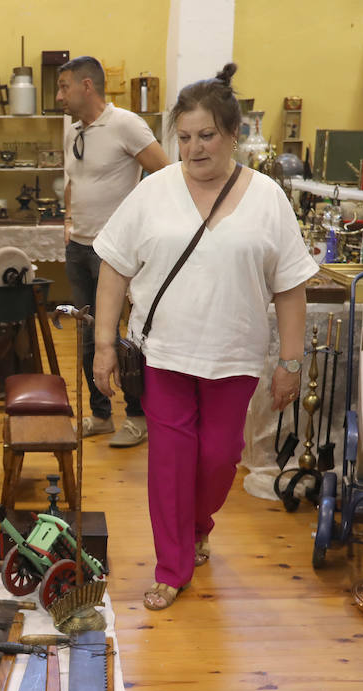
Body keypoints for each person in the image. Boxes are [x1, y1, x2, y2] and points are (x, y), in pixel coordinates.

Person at [91, 63, 316, 611]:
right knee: (169, 461)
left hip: (234, 357)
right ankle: (172, 566)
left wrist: (290, 361)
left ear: (233, 135)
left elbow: (289, 289)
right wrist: (103, 343)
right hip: (163, 351)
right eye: (185, 137)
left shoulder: (268, 198)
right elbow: (114, 268)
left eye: (207, 135)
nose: (194, 149)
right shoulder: (154, 192)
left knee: (219, 458)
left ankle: (197, 525)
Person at [58, 55, 169, 448]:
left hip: (118, 254)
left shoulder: (125, 124)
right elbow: (72, 181)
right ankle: (101, 415)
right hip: (79, 247)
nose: (60, 96)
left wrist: (145, 227)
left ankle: (137, 417)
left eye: (64, 86)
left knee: (126, 338)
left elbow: (165, 172)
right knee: (90, 336)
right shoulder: (72, 132)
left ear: (87, 86)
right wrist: (69, 220)